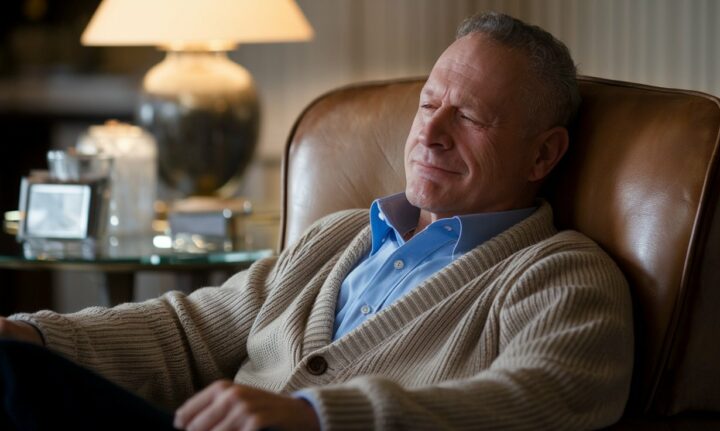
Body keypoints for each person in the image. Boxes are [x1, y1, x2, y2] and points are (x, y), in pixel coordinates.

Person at [0, 11, 633, 431]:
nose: (429, 134)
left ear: (544, 153)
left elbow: (537, 399)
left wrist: (316, 415)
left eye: (469, 118)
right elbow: (187, 332)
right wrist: (34, 335)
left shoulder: (563, 274)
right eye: (428, 104)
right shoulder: (338, 238)